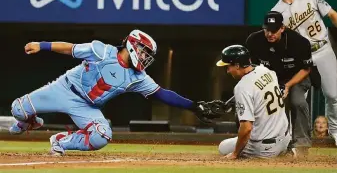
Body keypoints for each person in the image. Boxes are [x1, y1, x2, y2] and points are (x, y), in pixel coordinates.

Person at [9, 29, 214, 155]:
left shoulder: (138, 76)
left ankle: (61, 140)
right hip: (64, 88)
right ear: (132, 45)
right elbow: (70, 48)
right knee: (17, 109)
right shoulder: (102, 51)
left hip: (87, 107)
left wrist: (193, 106)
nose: (145, 57)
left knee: (101, 136)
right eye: (144, 51)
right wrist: (41, 45)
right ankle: (30, 121)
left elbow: (162, 94)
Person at [270, 0, 337, 145]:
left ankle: (336, 132)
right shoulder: (276, 12)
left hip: (322, 49)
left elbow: (332, 15)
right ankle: (294, 138)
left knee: (333, 95)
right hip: (300, 59)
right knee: (297, 100)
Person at [246, 11, 313, 156]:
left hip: (296, 77)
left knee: (297, 102)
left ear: (282, 28)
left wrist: (288, 85)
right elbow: (251, 67)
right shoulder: (253, 40)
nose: (270, 33)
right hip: (268, 79)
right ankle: (264, 141)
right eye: (267, 30)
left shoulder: (299, 42)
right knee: (267, 106)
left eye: (274, 30)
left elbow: (306, 69)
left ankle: (301, 144)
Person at [216, 45, 290, 159]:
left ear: (237, 65)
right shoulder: (266, 71)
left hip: (265, 148)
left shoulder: (241, 87)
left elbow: (246, 128)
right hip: (286, 139)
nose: (227, 70)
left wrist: (235, 154)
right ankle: (287, 151)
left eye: (228, 66)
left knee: (223, 147)